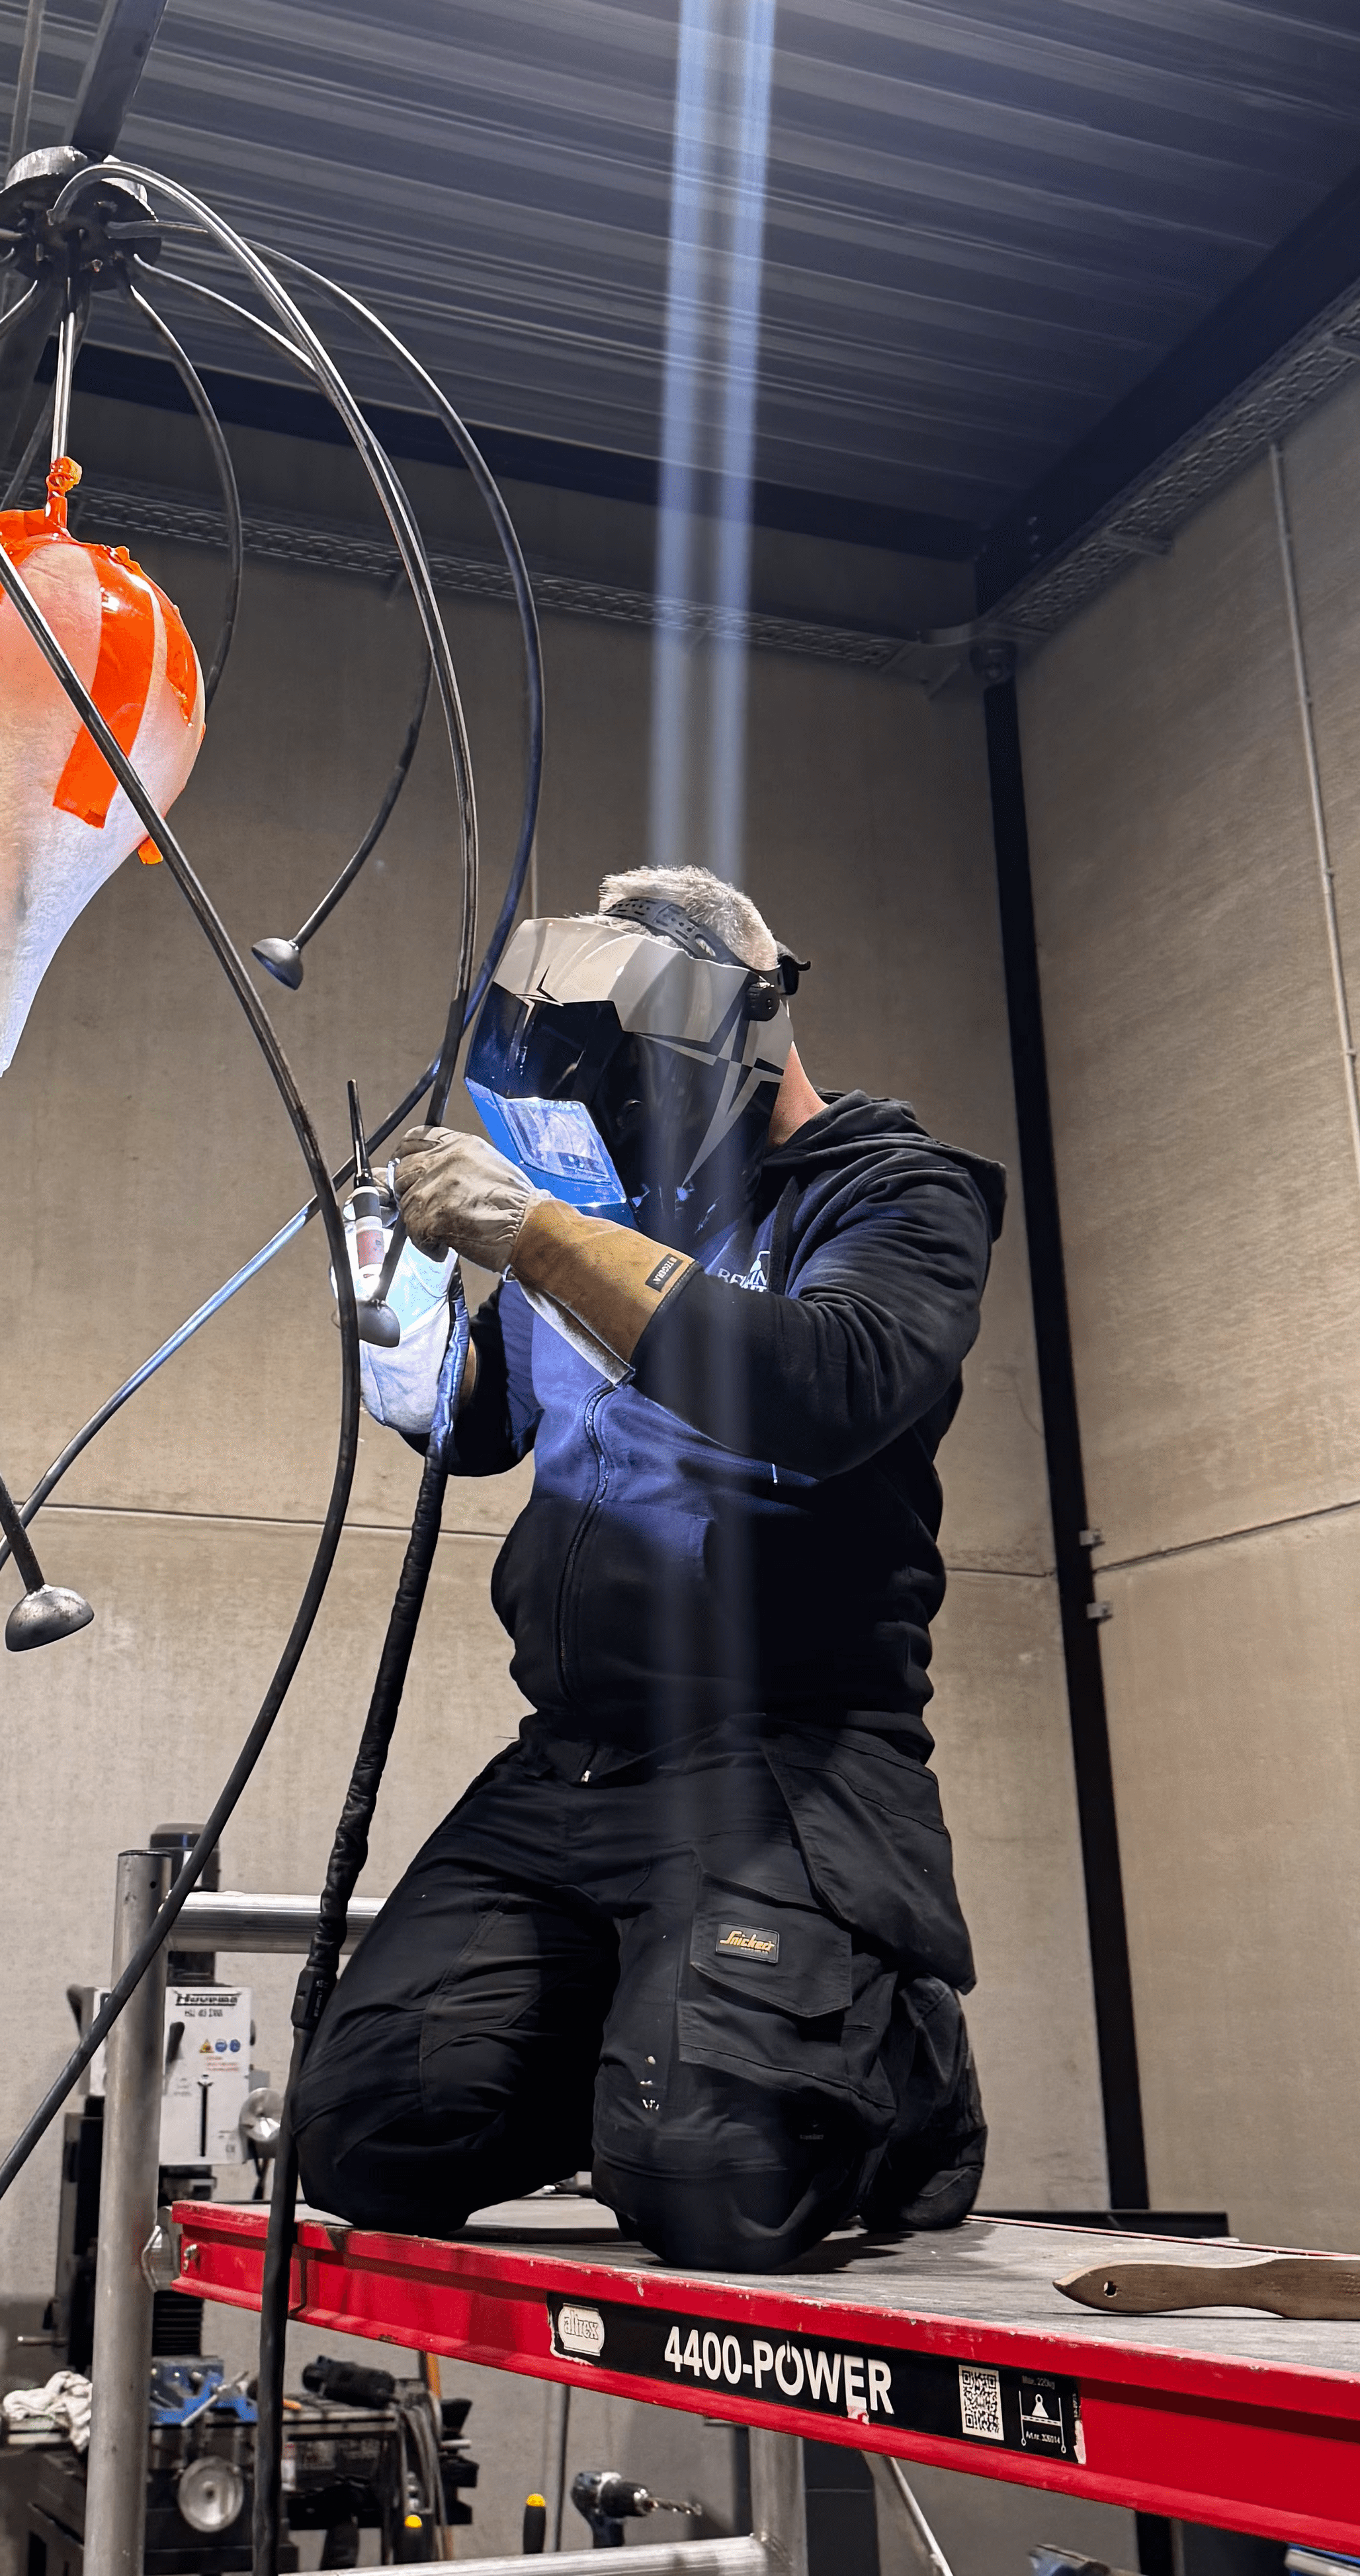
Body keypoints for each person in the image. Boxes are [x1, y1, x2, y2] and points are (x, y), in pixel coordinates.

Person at [288, 864, 1007, 2272]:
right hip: (576, 1766)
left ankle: (879, 2076)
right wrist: (394, 1310)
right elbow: (477, 1422)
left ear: (732, 1036)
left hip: (786, 1762)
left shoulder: (890, 1196)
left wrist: (540, 1237)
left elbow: (829, 1382)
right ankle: (661, 2047)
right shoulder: (608, 1209)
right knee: (374, 2134)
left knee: (714, 2186)